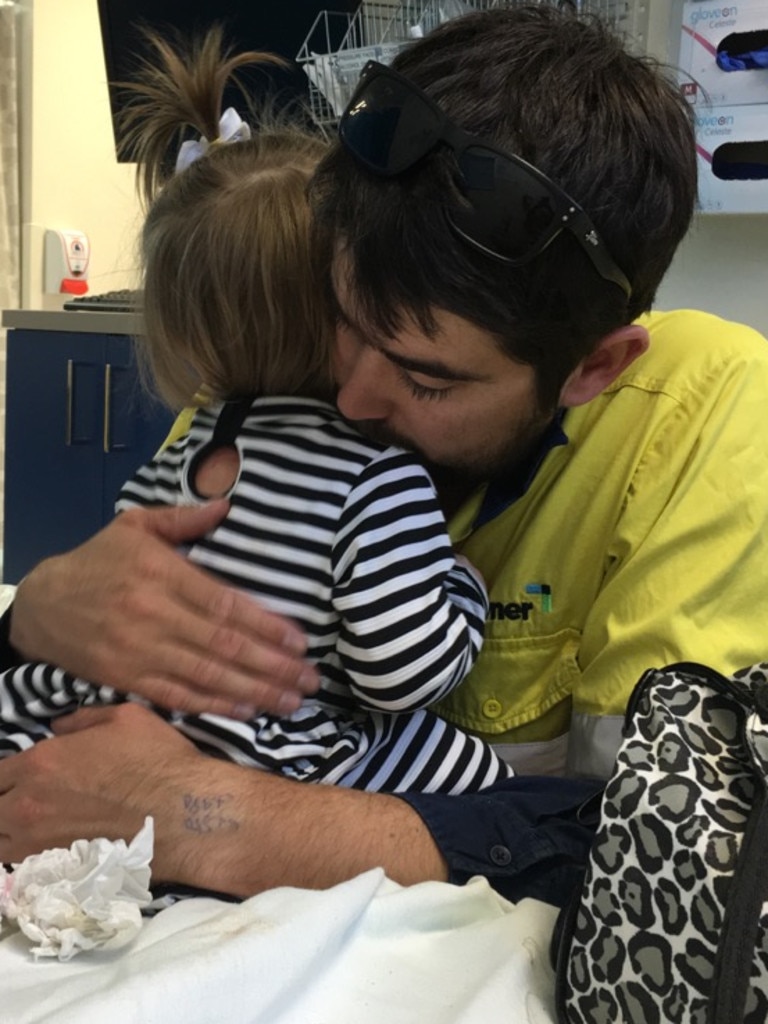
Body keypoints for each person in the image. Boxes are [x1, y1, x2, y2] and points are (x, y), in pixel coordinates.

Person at [1, 5, 767, 904]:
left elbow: (673, 847)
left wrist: (217, 815)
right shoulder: (281, 388)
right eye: (344, 327)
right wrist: (33, 614)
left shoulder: (713, 415)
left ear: (593, 366)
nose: (353, 400)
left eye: (427, 380)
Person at [0, 28, 512, 797]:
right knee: (490, 784)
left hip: (117, 725)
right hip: (271, 753)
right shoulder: (377, 476)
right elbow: (402, 674)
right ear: (357, 296)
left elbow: (118, 593)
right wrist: (465, 595)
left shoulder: (180, 454)